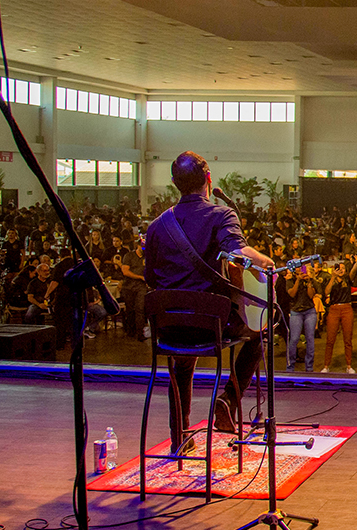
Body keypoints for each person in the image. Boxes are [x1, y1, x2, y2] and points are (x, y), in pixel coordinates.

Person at [145, 151, 275, 454]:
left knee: (181, 363)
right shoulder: (220, 215)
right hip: (212, 326)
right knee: (260, 332)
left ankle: (179, 436)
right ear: (208, 180)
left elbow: (151, 277)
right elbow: (239, 253)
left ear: (175, 184)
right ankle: (228, 400)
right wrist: (266, 262)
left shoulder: (156, 226)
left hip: (170, 326)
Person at [322, 260, 356, 374]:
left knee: (348, 338)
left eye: (343, 268)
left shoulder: (348, 279)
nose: (341, 270)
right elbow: (326, 292)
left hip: (346, 308)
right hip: (334, 309)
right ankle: (326, 365)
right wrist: (333, 277)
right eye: (338, 268)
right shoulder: (330, 279)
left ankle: (349, 365)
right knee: (330, 339)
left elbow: (355, 269)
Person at [285, 264, 318, 372]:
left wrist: (309, 283)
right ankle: (290, 366)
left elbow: (311, 295)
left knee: (310, 338)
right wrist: (298, 280)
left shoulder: (309, 280)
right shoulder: (290, 280)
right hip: (296, 312)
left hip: (310, 311)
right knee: (294, 339)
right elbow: (292, 294)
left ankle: (309, 366)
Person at [119, 239, 147, 340]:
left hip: (141, 287)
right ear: (137, 246)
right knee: (130, 309)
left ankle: (140, 332)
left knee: (140, 308)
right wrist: (140, 277)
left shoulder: (147, 257)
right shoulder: (129, 256)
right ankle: (130, 330)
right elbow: (125, 271)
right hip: (128, 286)